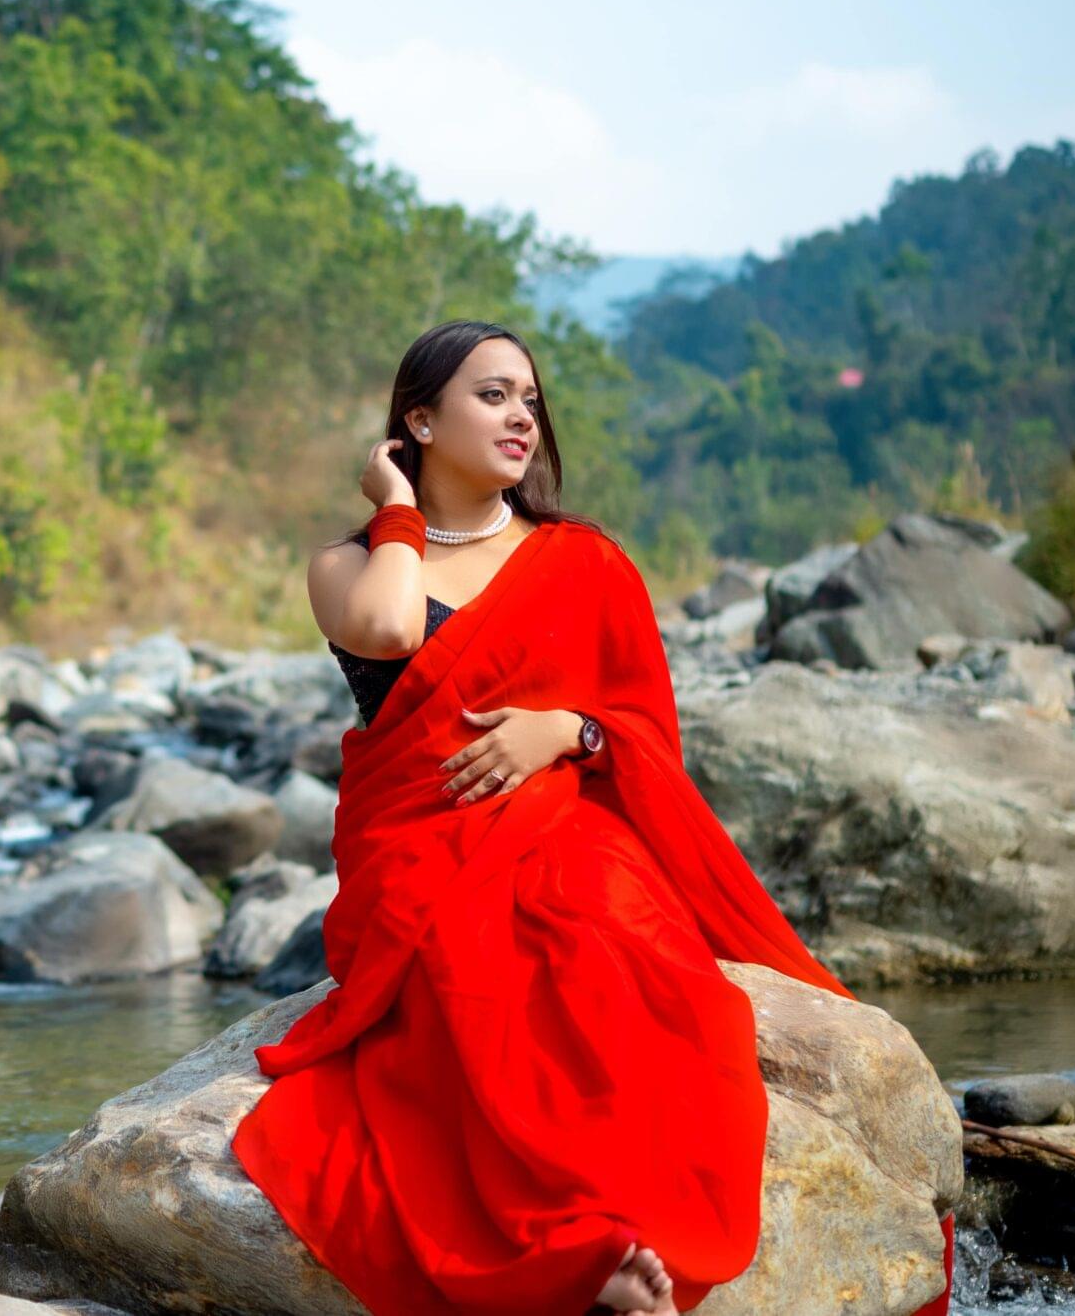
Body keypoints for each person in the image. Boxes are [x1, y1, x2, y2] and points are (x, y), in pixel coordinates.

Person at [231, 320, 952, 1315]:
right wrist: (396, 507)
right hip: (413, 839)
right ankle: (568, 1248)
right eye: (491, 394)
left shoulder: (581, 560)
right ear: (419, 418)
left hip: (566, 814)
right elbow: (390, 628)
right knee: (465, 976)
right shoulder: (346, 561)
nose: (522, 413)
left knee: (615, 945)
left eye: (528, 396)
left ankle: (607, 1228)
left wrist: (564, 728)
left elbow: (647, 735)